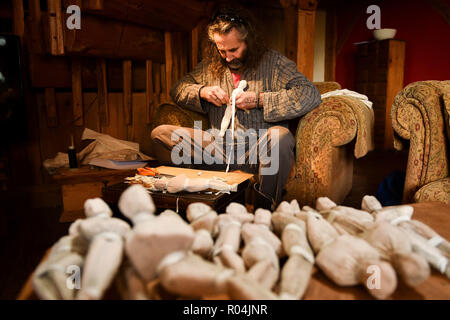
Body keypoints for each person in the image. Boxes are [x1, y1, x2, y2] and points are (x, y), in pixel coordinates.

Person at [151, 6, 321, 210]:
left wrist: (260, 100)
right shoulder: (211, 65)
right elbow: (178, 89)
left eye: (233, 50)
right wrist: (202, 92)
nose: (227, 57)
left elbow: (309, 93)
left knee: (280, 136)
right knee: (160, 134)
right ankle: (190, 195)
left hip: (258, 149)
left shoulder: (274, 63)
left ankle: (264, 208)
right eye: (221, 50)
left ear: (249, 41)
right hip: (218, 149)